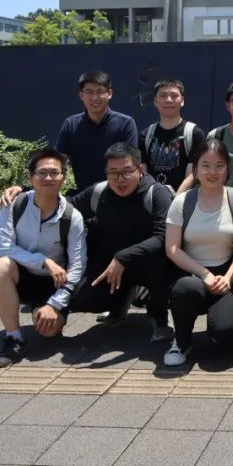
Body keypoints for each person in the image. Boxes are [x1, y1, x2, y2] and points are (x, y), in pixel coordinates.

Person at [66, 143, 179, 342]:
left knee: (161, 265)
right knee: (81, 299)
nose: (120, 179)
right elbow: (64, 209)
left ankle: (159, 317)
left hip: (149, 264)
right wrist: (25, 191)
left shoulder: (157, 193)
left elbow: (163, 238)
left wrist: (123, 257)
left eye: (127, 171)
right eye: (113, 173)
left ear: (140, 170)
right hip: (112, 267)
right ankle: (119, 304)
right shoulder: (98, 192)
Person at [0, 148, 86, 368]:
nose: (48, 178)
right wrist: (43, 261)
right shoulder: (14, 204)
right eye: (42, 173)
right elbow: (3, 247)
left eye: (54, 173)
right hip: (22, 276)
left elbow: (78, 266)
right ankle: (13, 337)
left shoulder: (72, 216)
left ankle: (41, 310)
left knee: (48, 332)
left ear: (64, 178)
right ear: (30, 177)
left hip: (53, 283)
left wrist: (54, 304)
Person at [162, 139, 233, 366]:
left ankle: (221, 325)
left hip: (227, 276)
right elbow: (172, 248)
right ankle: (181, 342)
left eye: (219, 165)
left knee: (226, 332)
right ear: (195, 168)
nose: (212, 172)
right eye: (206, 165)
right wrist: (204, 274)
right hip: (192, 275)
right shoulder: (182, 202)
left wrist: (228, 278)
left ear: (228, 168)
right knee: (185, 289)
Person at [56, 70, 138, 193]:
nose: (95, 98)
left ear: (109, 94)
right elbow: (58, 160)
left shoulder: (125, 123)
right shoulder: (71, 124)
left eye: (100, 92)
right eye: (89, 92)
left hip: (118, 193)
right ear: (81, 95)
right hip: (83, 194)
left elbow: (131, 163)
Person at [138, 79, 206, 192]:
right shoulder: (145, 136)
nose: (168, 100)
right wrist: (156, 197)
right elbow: (143, 173)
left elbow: (193, 173)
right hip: (153, 197)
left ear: (182, 101)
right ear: (155, 101)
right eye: (163, 96)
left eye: (174, 96)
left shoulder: (194, 134)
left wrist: (177, 198)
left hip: (183, 198)